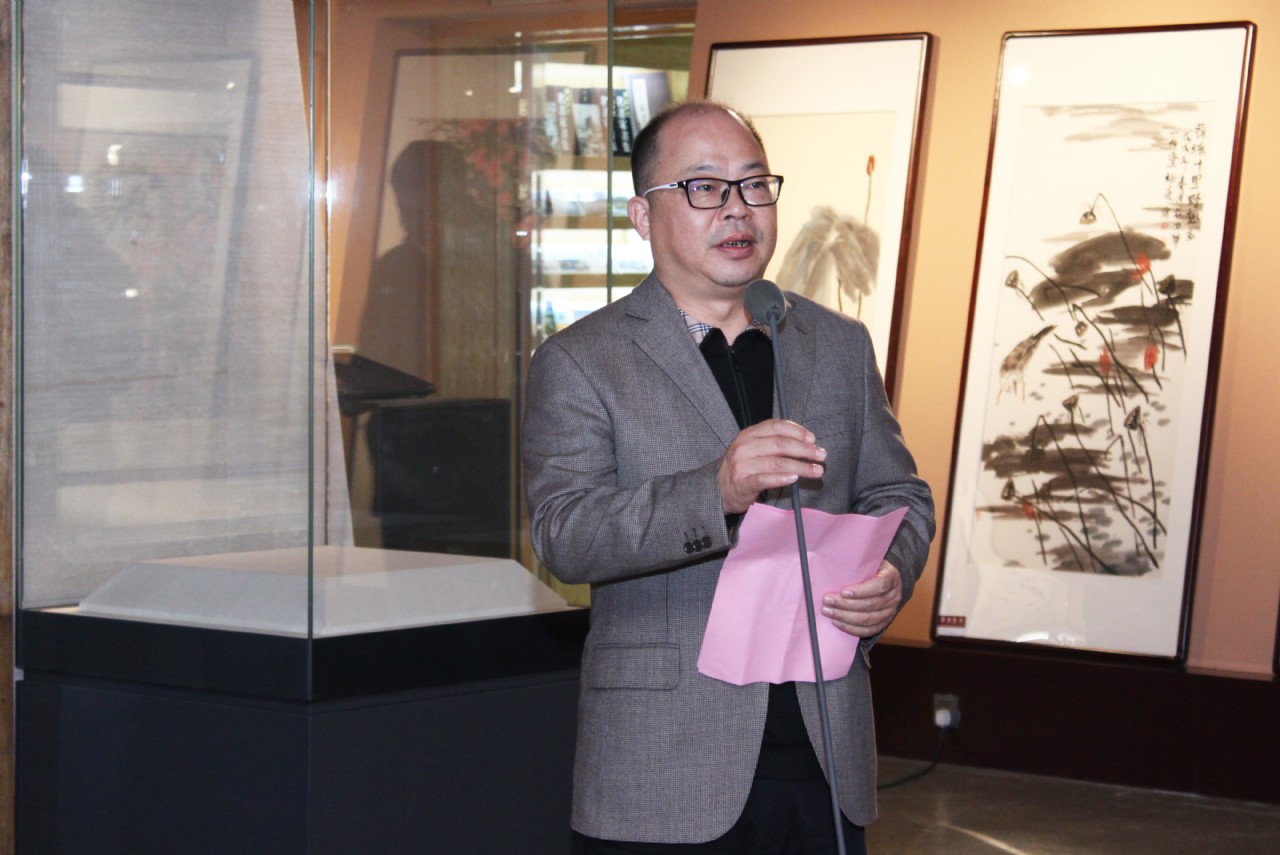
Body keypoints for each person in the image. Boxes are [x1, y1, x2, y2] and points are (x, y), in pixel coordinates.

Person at [522, 101, 935, 854]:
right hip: (666, 763)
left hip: (822, 750)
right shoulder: (582, 360)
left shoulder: (835, 343)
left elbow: (898, 494)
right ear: (642, 216)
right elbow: (564, 535)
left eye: (754, 185)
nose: (738, 208)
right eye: (705, 187)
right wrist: (713, 492)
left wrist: (891, 574)